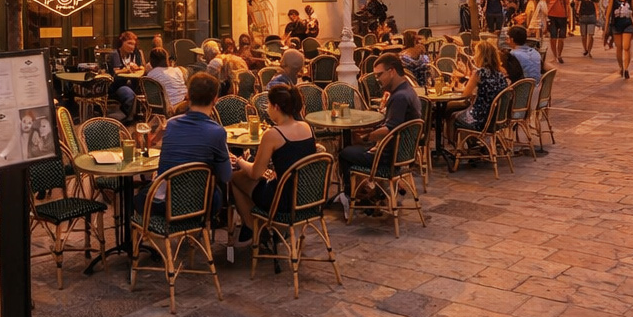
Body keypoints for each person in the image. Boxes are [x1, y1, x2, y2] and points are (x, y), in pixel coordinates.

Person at [228, 84, 318, 246]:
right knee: (259, 178)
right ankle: (260, 226)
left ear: (276, 107)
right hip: (308, 195)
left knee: (235, 178)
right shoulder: (307, 127)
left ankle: (254, 228)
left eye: (268, 105)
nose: (267, 109)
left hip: (283, 199)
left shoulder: (274, 134)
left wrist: (239, 161)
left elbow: (255, 173)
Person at [335, 54, 421, 217]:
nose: (377, 79)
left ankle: (349, 197)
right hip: (401, 154)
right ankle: (368, 192)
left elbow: (389, 130)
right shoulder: (408, 91)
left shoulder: (399, 97)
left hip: (387, 157)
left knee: (345, 153)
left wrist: (366, 137)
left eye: (379, 75)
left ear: (392, 71)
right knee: (355, 144)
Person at [139, 73, 231, 216]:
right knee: (217, 189)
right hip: (201, 205)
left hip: (164, 204)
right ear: (215, 99)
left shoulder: (170, 125)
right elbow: (226, 176)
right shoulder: (218, 132)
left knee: (139, 198)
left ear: (188, 95)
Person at [450, 41, 509, 137]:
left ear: (480, 55)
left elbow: (465, 95)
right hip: (497, 118)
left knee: (454, 116)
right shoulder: (501, 73)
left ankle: (460, 146)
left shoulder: (479, 73)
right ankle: (473, 141)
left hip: (480, 118)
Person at [105, 31, 146, 122]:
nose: (132, 46)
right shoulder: (115, 54)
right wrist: (127, 69)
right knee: (128, 93)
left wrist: (137, 67)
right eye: (129, 43)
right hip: (118, 85)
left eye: (133, 44)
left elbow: (142, 66)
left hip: (134, 83)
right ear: (122, 43)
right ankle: (129, 119)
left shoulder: (136, 53)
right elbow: (116, 71)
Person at [606, 0, 633, 79]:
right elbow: (608, 14)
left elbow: (632, 11)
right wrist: (606, 29)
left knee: (626, 46)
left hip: (628, 24)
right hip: (616, 24)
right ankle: (621, 67)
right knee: (619, 47)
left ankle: (626, 69)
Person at [542, 0, 571, 64]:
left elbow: (544, 4)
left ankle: (557, 55)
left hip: (553, 17)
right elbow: (567, 4)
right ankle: (557, 55)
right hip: (560, 17)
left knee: (557, 37)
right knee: (555, 37)